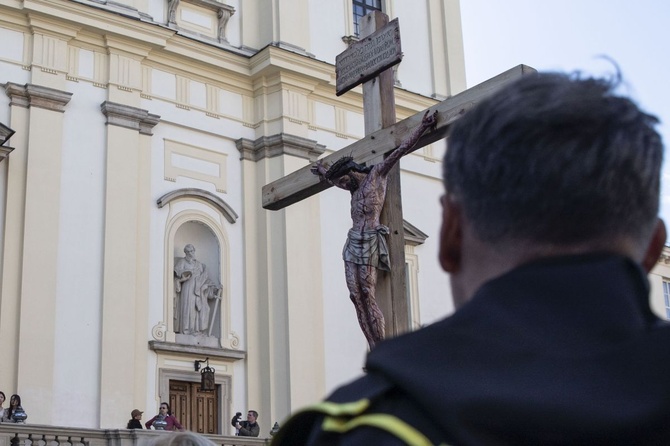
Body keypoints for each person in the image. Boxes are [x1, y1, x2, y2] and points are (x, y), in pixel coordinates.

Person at [272, 71, 670, 445]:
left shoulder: (355, 430)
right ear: (653, 248)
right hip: (358, 245)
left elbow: (397, 150)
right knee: (360, 296)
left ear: (451, 235)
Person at [311, 111, 437, 349]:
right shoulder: (352, 188)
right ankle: (371, 345)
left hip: (369, 239)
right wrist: (322, 172)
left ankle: (380, 347)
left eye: (343, 182)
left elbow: (400, 151)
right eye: (339, 184)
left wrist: (422, 128)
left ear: (350, 173)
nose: (342, 186)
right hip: (353, 241)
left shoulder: (376, 176)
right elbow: (331, 180)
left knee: (368, 295)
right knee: (355, 297)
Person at [174, 244, 221, 336]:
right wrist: (183, 275)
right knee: (187, 307)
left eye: (192, 251)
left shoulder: (199, 264)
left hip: (198, 289)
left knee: (195, 309)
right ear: (186, 253)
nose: (191, 253)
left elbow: (204, 278)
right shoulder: (182, 262)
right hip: (187, 287)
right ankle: (185, 329)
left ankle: (195, 330)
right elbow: (177, 272)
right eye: (189, 252)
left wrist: (213, 288)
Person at [150, 432, 216, 446]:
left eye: (164, 408)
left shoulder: (171, 418)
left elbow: (178, 425)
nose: (162, 409)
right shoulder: (157, 417)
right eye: (161, 408)